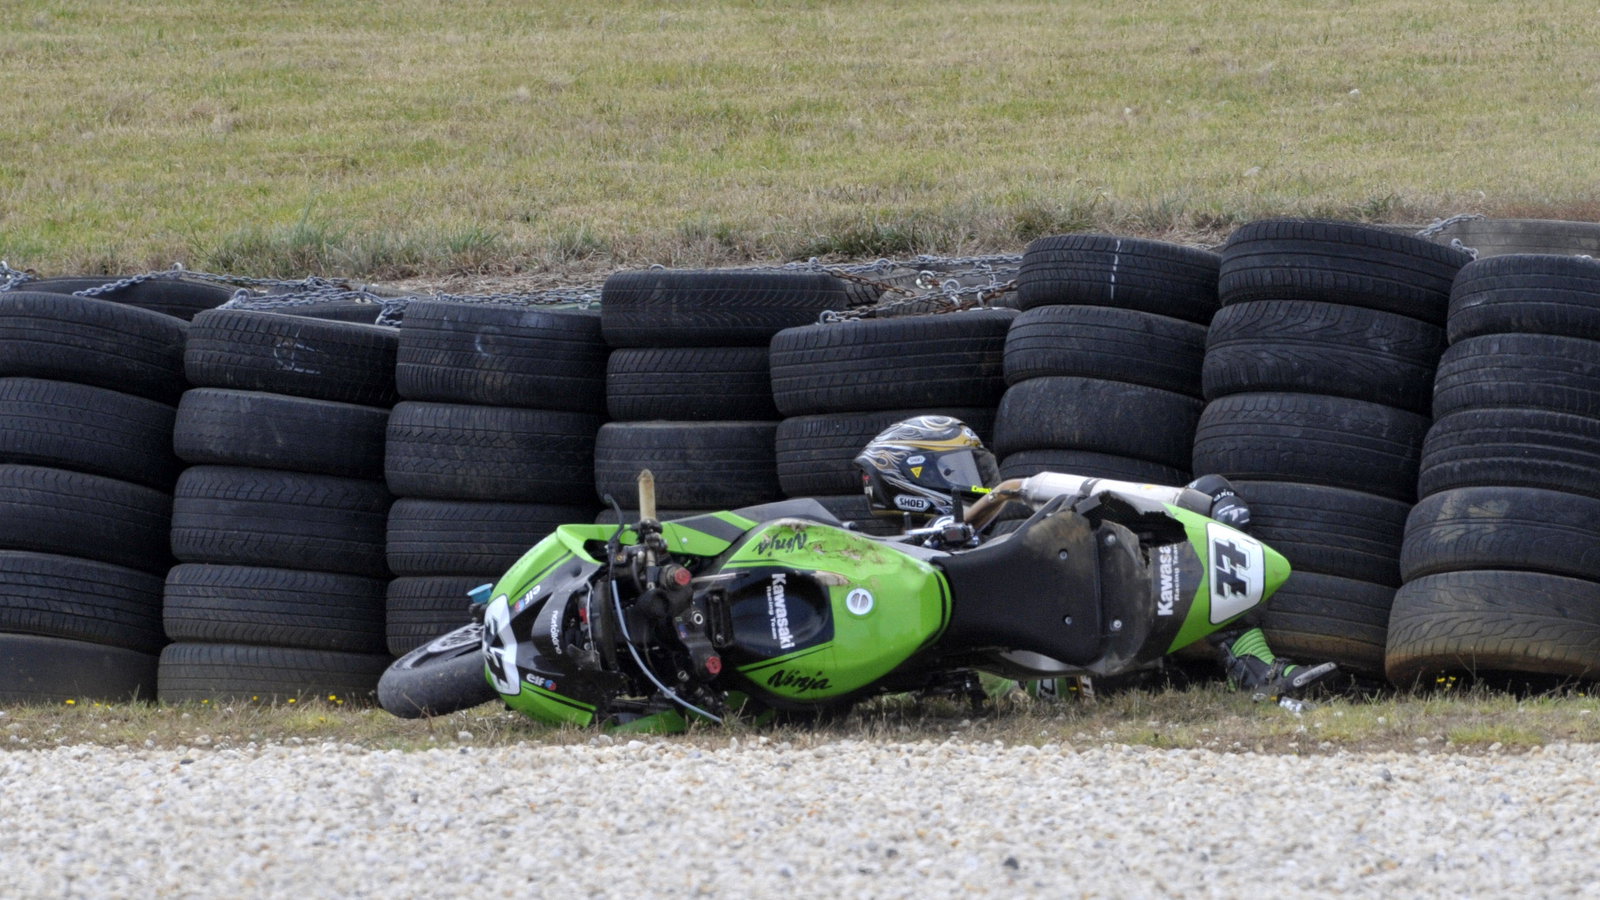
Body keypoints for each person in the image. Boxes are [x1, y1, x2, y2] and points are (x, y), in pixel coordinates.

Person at [852, 414, 1338, 700]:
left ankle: (1261, 673)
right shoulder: (896, 559)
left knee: (1192, 524)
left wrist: (1203, 499)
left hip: (1098, 655)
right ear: (914, 479)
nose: (976, 475)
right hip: (1028, 680)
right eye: (958, 468)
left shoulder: (1002, 540)